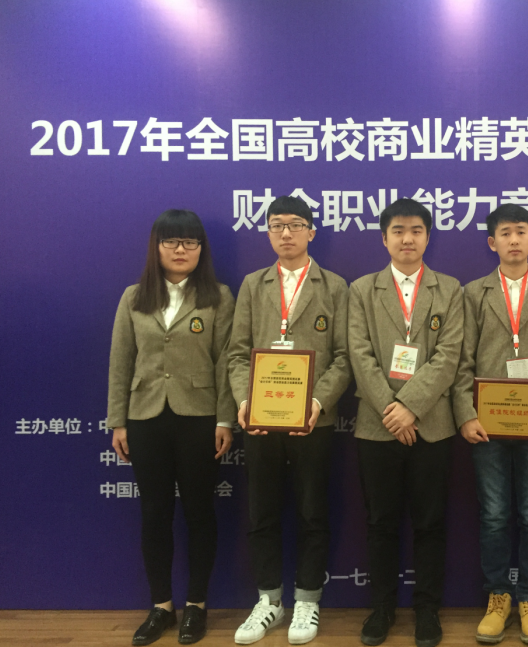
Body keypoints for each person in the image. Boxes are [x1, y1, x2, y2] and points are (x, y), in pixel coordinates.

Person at [107, 209, 236, 646]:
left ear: (201, 249)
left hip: (200, 419)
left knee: (200, 512)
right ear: (156, 246)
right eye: (172, 241)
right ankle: (161, 606)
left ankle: (197, 604)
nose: (181, 250)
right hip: (145, 418)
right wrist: (118, 420)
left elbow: (226, 363)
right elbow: (121, 362)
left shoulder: (218, 296)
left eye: (190, 242)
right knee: (154, 513)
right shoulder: (134, 297)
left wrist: (225, 419)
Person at [227, 196, 352, 645]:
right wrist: (245, 400)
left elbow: (343, 358)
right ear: (267, 233)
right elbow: (237, 354)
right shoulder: (253, 284)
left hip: (312, 421)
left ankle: (307, 599)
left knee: (312, 511)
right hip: (261, 421)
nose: (286, 233)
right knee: (261, 512)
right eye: (276, 225)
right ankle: (268, 600)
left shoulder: (334, 286)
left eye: (295, 224)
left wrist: (318, 402)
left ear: (311, 232)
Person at [452, 204, 528, 645]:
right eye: (505, 233)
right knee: (494, 515)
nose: (514, 240)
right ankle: (498, 597)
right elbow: (462, 360)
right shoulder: (473, 292)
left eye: (521, 231)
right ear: (493, 243)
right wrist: (465, 414)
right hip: (487, 425)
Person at [347, 198, 464, 647]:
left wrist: (411, 407)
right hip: (377, 427)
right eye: (398, 231)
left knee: (430, 523)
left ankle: (427, 610)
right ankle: (381, 609)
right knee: (381, 523)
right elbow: (359, 354)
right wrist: (392, 410)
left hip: (431, 424)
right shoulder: (362, 289)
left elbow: (449, 355)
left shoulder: (449, 289)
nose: (407, 239)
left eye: (416, 230)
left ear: (427, 237)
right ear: (384, 238)